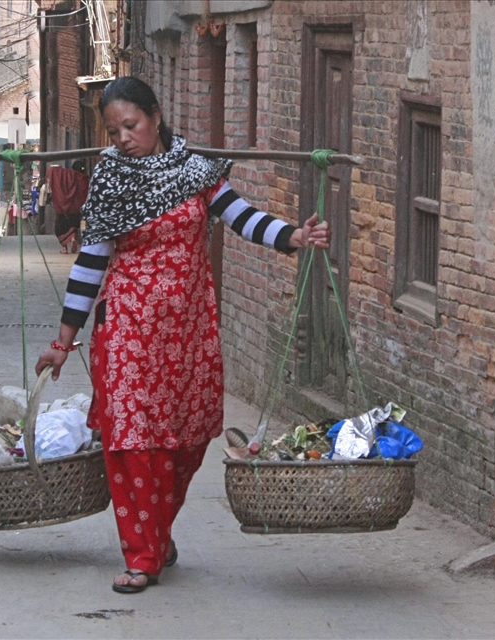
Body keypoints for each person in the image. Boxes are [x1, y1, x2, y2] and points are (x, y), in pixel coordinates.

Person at [35, 76, 331, 594]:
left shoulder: (196, 171)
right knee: (131, 438)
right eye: (113, 130)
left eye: (132, 125)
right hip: (126, 324)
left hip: (186, 331)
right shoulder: (111, 180)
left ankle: (157, 528)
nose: (124, 137)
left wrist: (294, 236)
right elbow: (90, 264)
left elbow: (241, 217)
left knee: (186, 439)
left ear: (155, 116)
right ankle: (141, 555)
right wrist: (63, 342)